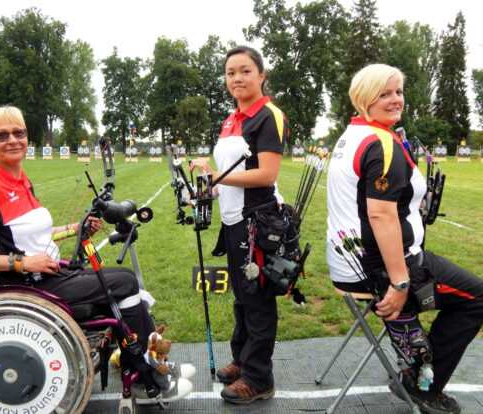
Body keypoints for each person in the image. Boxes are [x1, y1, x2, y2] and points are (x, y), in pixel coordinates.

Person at [0, 105, 193, 401]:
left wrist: (76, 228)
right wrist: (22, 262)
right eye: (1, 135)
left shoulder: (19, 179)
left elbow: (31, 235)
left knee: (125, 283)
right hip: (26, 285)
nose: (12, 139)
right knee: (125, 281)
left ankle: (152, 365)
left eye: (19, 132)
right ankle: (148, 375)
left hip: (48, 274)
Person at [326, 63, 483, 414]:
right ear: (364, 98)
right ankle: (422, 385)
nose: (395, 99)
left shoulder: (353, 134)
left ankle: (416, 371)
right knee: (477, 298)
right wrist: (400, 283)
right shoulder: (381, 143)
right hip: (382, 267)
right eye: (384, 93)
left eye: (398, 91)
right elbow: (381, 215)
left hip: (348, 262)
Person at [189, 45, 288, 404]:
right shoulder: (232, 119)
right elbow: (229, 176)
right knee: (242, 298)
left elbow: (265, 174)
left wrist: (216, 177)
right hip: (233, 222)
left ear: (261, 76)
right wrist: (205, 191)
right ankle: (243, 360)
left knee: (258, 299)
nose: (237, 78)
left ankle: (259, 378)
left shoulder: (268, 115)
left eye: (245, 71)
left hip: (258, 221)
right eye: (231, 73)